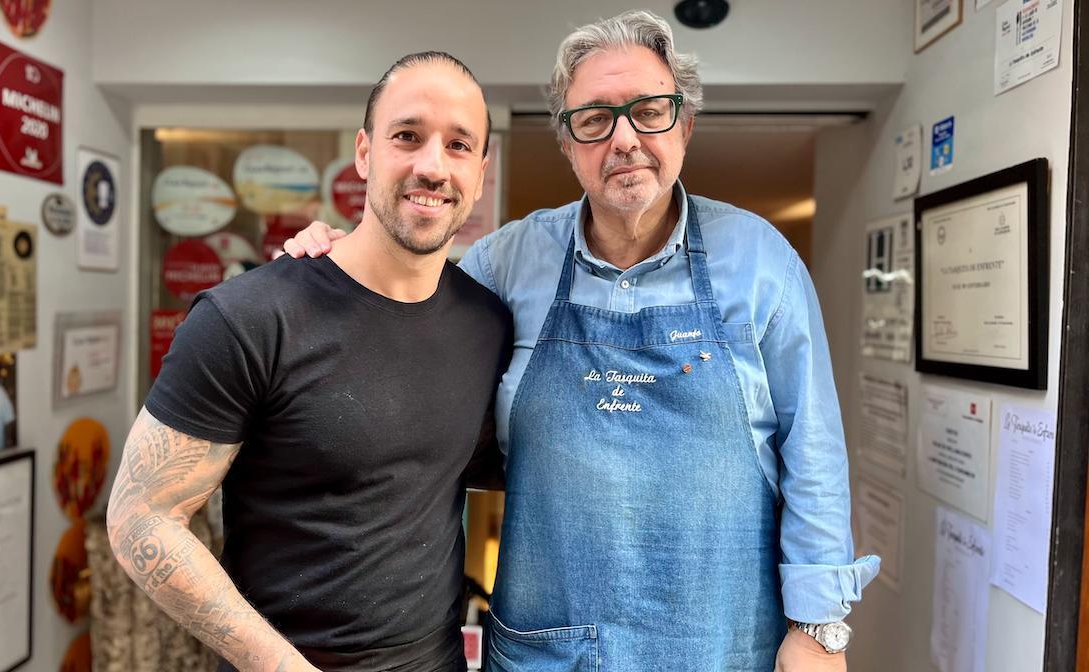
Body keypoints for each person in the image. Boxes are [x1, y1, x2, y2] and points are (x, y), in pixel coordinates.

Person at [284, 11, 878, 672]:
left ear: (684, 124)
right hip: (548, 648)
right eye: (594, 120)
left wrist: (820, 627)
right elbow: (406, 313)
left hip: (722, 646)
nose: (624, 139)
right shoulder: (508, 262)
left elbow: (814, 448)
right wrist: (337, 257)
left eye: (648, 111)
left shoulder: (760, 260)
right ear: (568, 144)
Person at [106, 51, 512, 672]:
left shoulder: (486, 323)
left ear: (480, 173)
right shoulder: (249, 318)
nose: (432, 165)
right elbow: (141, 519)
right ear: (364, 153)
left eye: (459, 145)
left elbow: (470, 465)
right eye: (407, 136)